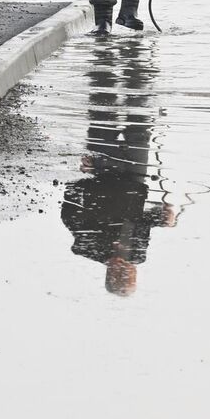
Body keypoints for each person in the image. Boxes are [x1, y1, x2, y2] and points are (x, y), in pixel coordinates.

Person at [59, 40, 178, 296]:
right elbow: (141, 221)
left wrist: (80, 180)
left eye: (120, 274)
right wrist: (162, 217)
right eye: (129, 273)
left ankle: (103, 54)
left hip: (102, 172)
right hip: (134, 175)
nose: (126, 267)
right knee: (140, 116)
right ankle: (137, 58)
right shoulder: (138, 253)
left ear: (109, 274)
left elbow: (68, 211)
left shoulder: (86, 246)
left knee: (103, 106)